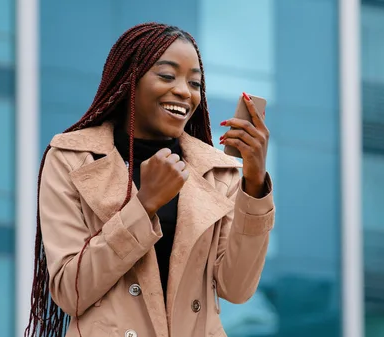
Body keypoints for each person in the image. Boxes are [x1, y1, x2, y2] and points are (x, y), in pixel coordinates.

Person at [24, 23, 275, 337]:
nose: (184, 91)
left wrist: (254, 184)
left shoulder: (215, 170)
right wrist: (144, 206)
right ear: (129, 80)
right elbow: (69, 292)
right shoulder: (72, 158)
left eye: (195, 82)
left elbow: (236, 288)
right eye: (167, 76)